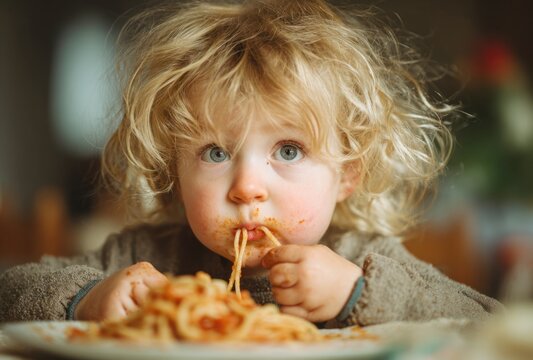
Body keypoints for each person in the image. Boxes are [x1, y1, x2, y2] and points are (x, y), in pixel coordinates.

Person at [0, 0, 501, 326]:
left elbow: (485, 322)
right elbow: (10, 290)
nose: (247, 187)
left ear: (348, 172)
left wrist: (359, 294)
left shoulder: (362, 259)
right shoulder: (146, 257)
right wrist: (87, 299)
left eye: (288, 150)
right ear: (174, 171)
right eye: (215, 153)